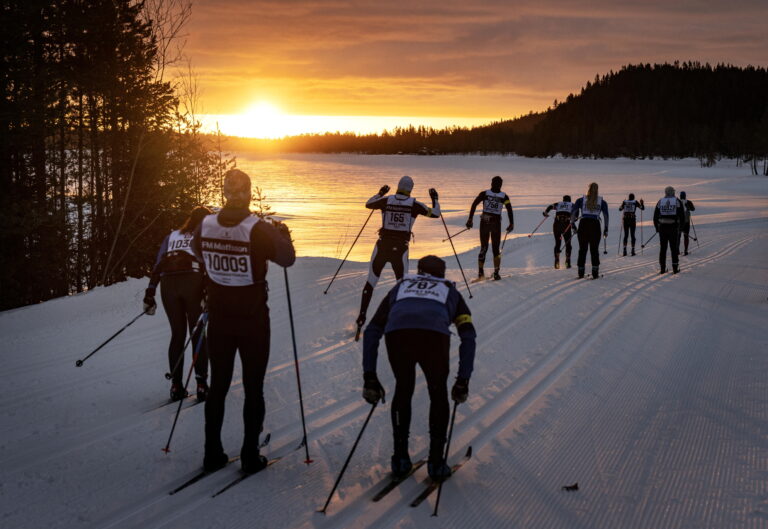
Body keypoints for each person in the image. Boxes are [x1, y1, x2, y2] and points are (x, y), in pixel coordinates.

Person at [192, 169, 296, 474]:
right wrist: (283, 235)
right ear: (248, 193)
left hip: (220, 319)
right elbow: (287, 258)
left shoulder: (205, 224)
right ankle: (250, 455)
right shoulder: (258, 228)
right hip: (252, 320)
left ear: (224, 192)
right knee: (253, 387)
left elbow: (198, 252)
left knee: (218, 386)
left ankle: (212, 453)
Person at [361, 255, 476, 481]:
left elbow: (373, 329)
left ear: (419, 271)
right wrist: (463, 380)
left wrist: (369, 375)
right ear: (442, 274)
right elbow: (468, 336)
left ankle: (400, 459)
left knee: (404, 389)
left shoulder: (401, 286)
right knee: (438, 392)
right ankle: (436, 463)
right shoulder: (450, 290)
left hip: (398, 335)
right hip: (434, 337)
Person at [355, 176, 441, 339]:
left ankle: (361, 318)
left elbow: (368, 204)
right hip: (400, 249)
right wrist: (435, 198)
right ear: (410, 189)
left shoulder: (386, 200)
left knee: (371, 282)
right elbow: (436, 214)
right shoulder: (415, 204)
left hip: (382, 246)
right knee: (403, 286)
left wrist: (381, 193)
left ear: (398, 187)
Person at [144, 206, 211, 402]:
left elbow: (159, 264)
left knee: (178, 334)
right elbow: (208, 262)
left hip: (168, 286)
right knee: (198, 333)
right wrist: (208, 289)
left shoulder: (172, 236)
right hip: (192, 281)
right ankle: (201, 385)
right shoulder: (204, 235)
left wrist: (150, 291)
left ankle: (176, 386)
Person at [465, 176, 514, 279]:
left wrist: (470, 219)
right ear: (501, 185)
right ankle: (496, 273)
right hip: (496, 224)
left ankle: (480, 273)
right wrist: (511, 223)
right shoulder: (504, 196)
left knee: (484, 248)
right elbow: (509, 210)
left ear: (491, 183)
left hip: (485, 223)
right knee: (496, 249)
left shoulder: (484, 194)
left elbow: (474, 204)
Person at [570, 183, 609, 279]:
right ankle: (595, 272)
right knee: (594, 249)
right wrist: (606, 229)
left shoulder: (580, 200)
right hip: (595, 225)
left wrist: (573, 225)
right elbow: (606, 216)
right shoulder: (602, 202)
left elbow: (573, 213)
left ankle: (581, 271)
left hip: (583, 224)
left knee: (582, 249)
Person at [653, 186, 685, 274]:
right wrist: (681, 228)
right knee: (674, 248)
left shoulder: (660, 201)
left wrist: (657, 228)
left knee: (663, 248)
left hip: (662, 228)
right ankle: (675, 268)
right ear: (673, 192)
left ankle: (662, 268)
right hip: (673, 227)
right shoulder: (677, 201)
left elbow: (655, 216)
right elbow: (682, 216)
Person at [542, 195, 573, 269]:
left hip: (557, 225)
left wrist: (546, 213)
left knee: (558, 243)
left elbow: (550, 207)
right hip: (566, 225)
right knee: (568, 244)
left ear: (563, 200)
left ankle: (557, 261)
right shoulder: (571, 205)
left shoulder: (559, 204)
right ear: (569, 200)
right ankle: (567, 262)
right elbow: (576, 211)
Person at [677, 191, 696, 255]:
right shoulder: (688, 202)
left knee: (678, 236)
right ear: (685, 196)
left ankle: (677, 251)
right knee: (686, 236)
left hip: (678, 222)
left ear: (680, 196)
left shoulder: (677, 202)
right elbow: (693, 209)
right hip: (686, 221)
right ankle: (685, 251)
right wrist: (688, 207)